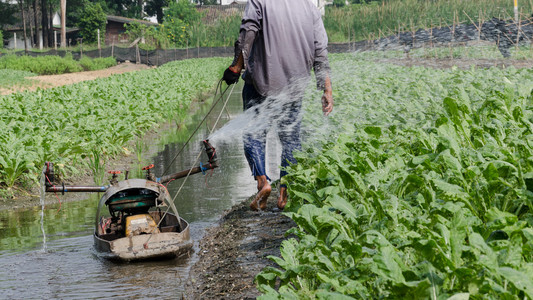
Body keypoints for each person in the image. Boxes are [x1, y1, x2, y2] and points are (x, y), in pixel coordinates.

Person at [222, 0, 333, 211]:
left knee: (253, 134)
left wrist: (237, 66)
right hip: (294, 87)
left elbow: (248, 32)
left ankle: (263, 183)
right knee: (291, 140)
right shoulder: (310, 8)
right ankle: (284, 194)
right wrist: (326, 89)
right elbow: (320, 50)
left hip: (261, 82)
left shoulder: (259, 1)